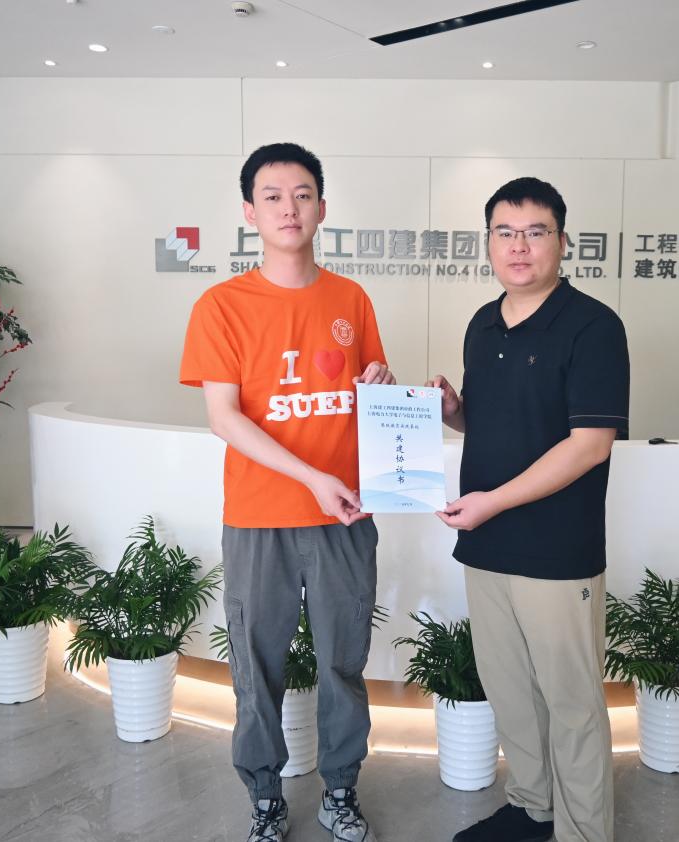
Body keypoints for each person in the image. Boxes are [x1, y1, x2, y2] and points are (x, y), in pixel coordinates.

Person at [179, 142, 392, 842]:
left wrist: (382, 388)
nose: (288, 208)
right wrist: (311, 479)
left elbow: (366, 399)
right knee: (257, 667)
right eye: (272, 196)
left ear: (322, 207)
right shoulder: (222, 305)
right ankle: (265, 797)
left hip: (345, 517)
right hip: (259, 520)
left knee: (343, 663)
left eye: (302, 194)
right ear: (249, 211)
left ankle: (340, 791)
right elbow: (224, 417)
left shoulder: (350, 299)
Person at [429, 177, 630, 842]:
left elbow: (589, 445)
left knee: (571, 704)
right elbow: (492, 422)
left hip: (556, 550)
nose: (519, 246)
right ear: (488, 243)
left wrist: (491, 503)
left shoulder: (593, 326)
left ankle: (582, 832)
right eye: (505, 233)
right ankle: (531, 806)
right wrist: (453, 411)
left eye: (535, 232)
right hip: (486, 544)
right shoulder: (482, 323)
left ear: (562, 242)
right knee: (510, 690)